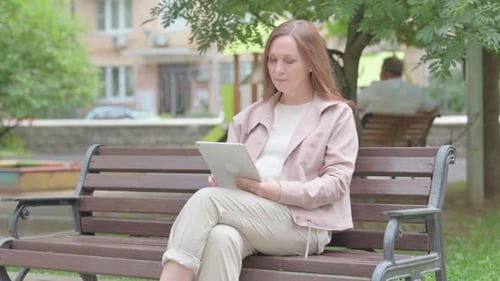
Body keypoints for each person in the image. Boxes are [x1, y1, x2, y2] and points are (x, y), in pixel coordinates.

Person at [159, 19, 359, 281]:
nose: (278, 69)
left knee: (207, 199)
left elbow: (336, 184)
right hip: (248, 216)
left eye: (289, 61)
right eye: (272, 60)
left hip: (302, 224)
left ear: (311, 63)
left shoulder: (336, 115)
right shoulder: (250, 116)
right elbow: (236, 179)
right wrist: (228, 180)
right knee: (222, 238)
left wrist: (278, 190)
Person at [357, 56, 439, 119]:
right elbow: (434, 109)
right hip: (404, 139)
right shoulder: (414, 90)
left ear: (384, 72)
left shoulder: (375, 88)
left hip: (372, 138)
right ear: (400, 73)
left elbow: (355, 106)